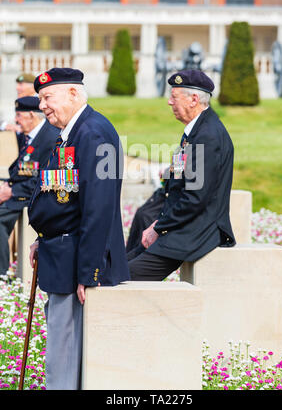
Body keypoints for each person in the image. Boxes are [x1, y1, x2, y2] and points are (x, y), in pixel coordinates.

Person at [28, 67, 129, 390]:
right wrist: (42, 239)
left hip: (76, 261)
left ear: (73, 93)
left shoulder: (93, 133)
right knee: (62, 349)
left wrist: (89, 271)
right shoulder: (71, 133)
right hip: (60, 253)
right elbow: (62, 198)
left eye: (47, 97)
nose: (42, 105)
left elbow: (98, 208)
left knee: (65, 355)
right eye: (41, 98)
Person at [128, 69, 236, 281]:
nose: (169, 102)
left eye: (174, 96)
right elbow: (176, 182)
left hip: (195, 232)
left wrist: (159, 227)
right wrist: (157, 223)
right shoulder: (195, 132)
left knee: (124, 276)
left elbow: (195, 198)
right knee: (119, 267)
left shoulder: (207, 136)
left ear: (193, 99)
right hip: (181, 226)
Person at [0, 96, 59, 276]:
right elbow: (21, 170)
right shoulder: (30, 135)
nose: (16, 121)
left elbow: (45, 177)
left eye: (19, 116)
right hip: (19, 190)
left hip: (30, 196)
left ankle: (2, 275)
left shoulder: (50, 137)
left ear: (32, 115)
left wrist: (11, 191)